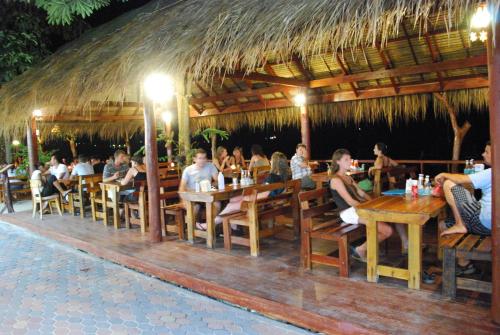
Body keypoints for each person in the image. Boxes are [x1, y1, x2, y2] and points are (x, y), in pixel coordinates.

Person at [329, 149, 393, 262]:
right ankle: (361, 249)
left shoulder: (348, 177)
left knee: (386, 227)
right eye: (346, 160)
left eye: (350, 159)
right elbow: (350, 201)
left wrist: (373, 202)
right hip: (348, 212)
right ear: (338, 162)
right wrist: (368, 208)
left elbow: (361, 193)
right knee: (387, 230)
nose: (350, 162)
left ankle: (363, 248)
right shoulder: (336, 180)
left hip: (357, 209)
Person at [215, 151, 289, 226]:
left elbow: (264, 194)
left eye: (272, 160)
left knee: (230, 206)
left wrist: (246, 197)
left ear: (275, 164)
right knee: (233, 199)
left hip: (260, 203)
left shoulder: (272, 177)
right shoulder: (285, 177)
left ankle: (213, 223)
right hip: (269, 201)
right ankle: (234, 226)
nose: (270, 161)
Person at [179, 149, 220, 230]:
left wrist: (209, 185)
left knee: (217, 204)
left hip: (206, 196)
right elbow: (182, 187)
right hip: (192, 197)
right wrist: (183, 199)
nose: (203, 160)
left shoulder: (210, 166)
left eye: (204, 158)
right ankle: (191, 230)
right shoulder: (188, 170)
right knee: (195, 208)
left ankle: (210, 227)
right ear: (194, 159)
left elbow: (217, 180)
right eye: (200, 158)